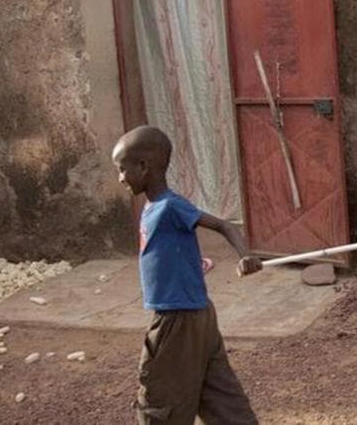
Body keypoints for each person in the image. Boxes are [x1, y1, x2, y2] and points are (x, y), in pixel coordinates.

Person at [112, 125, 262, 424]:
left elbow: (225, 225)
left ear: (143, 167)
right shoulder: (153, 207)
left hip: (176, 321)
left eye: (122, 169)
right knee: (222, 401)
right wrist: (195, 263)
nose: (120, 177)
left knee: (159, 406)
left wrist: (246, 255)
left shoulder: (169, 206)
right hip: (198, 316)